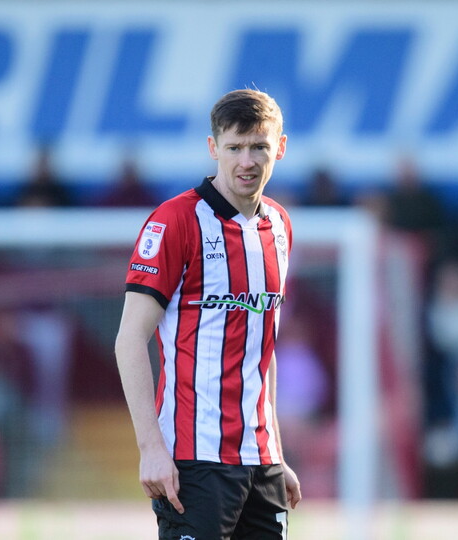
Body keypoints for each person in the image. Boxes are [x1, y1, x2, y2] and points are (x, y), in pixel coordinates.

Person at [115, 89, 301, 539]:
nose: (247, 161)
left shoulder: (279, 225)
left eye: (259, 146)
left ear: (280, 147)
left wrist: (274, 449)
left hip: (261, 461)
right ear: (213, 147)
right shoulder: (175, 221)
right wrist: (151, 448)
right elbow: (128, 340)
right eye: (235, 147)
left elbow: (262, 345)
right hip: (194, 459)